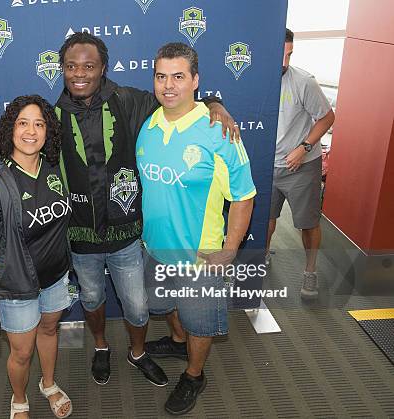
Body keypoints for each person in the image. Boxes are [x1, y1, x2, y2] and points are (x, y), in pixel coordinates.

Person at [0, 32, 241, 387]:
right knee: (91, 298)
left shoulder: (130, 101)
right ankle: (100, 347)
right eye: (71, 66)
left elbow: (177, 101)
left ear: (103, 67)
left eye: (89, 65)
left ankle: (137, 352)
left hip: (128, 236)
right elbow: (26, 143)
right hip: (79, 239)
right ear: (62, 70)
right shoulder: (53, 116)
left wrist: (213, 104)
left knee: (137, 305)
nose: (79, 73)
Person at [137, 42, 255, 415]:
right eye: (161, 76)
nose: (168, 85)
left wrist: (231, 246)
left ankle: (194, 374)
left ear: (195, 81)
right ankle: (176, 339)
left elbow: (243, 195)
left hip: (200, 258)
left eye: (178, 76)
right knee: (164, 307)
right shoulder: (148, 126)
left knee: (200, 324)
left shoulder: (219, 133)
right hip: (154, 249)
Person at [0, 95, 73, 419]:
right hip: (17, 285)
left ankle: (48, 383)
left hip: (56, 276)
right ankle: (19, 400)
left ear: (48, 132)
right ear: (10, 130)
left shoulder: (55, 166)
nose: (31, 131)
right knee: (22, 351)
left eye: (39, 124)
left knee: (49, 330)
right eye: (23, 123)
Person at [265, 28, 335, 300]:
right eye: (279, 55)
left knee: (308, 223)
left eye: (290, 55)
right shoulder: (256, 79)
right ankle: (262, 259)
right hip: (267, 166)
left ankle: (310, 270)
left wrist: (304, 147)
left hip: (301, 165)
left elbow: (328, 118)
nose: (285, 62)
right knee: (266, 221)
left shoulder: (303, 81)